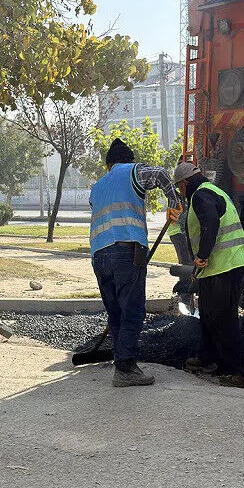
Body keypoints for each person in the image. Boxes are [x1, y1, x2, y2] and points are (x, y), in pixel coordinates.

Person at [90, 139, 183, 387]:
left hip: (99, 256)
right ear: (128, 160)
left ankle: (121, 359)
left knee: (115, 312)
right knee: (132, 312)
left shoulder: (97, 186)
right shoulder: (133, 171)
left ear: (108, 164)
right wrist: (175, 205)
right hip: (126, 251)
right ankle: (126, 369)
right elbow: (162, 174)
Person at [174, 161, 244, 388]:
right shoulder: (213, 191)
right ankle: (208, 359)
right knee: (208, 315)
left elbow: (210, 222)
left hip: (225, 266)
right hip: (221, 267)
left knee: (222, 319)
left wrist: (202, 255)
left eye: (179, 187)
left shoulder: (202, 195)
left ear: (184, 184)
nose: (180, 192)